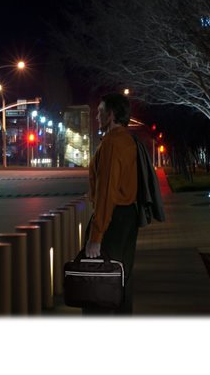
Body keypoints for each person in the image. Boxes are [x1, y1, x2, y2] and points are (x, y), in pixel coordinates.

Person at [84, 93, 139, 315]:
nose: (96, 116)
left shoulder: (112, 143)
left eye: (100, 111)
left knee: (100, 286)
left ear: (112, 114)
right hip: (127, 218)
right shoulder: (127, 139)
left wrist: (96, 236)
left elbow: (107, 192)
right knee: (121, 280)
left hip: (112, 221)